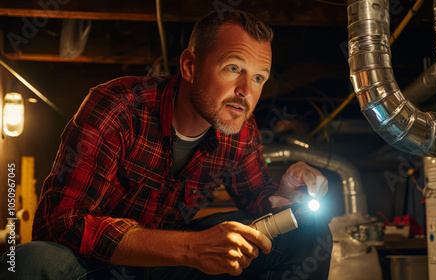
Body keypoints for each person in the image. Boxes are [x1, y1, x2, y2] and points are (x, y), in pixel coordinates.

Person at [0, 9, 331, 280]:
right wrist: (190, 248)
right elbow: (58, 222)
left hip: (171, 269)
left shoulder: (242, 132)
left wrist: (285, 198)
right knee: (28, 261)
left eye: (259, 77)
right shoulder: (118, 106)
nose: (247, 90)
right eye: (233, 68)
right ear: (190, 66)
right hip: (94, 267)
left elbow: (258, 202)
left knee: (307, 234)